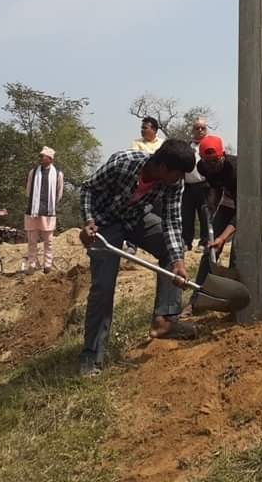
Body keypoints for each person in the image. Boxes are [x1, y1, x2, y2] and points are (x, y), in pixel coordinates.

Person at [79, 139, 197, 377]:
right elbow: (88, 188)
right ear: (163, 167)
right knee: (103, 286)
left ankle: (165, 320)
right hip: (105, 223)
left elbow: (173, 221)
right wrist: (89, 222)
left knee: (171, 250)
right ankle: (92, 355)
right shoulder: (124, 164)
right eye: (178, 173)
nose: (180, 179)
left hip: (135, 218)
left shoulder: (174, 183)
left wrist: (178, 262)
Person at [188, 134, 238, 312]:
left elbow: (242, 211)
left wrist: (224, 237)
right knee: (210, 249)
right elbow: (215, 187)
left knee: (238, 251)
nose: (211, 166)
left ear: (223, 155)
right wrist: (211, 206)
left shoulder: (235, 169)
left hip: (249, 207)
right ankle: (197, 299)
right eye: (207, 162)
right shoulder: (203, 167)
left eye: (215, 161)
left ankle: (235, 298)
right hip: (227, 202)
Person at [24, 146, 64, 273]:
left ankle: (47, 265)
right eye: (40, 156)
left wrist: (50, 204)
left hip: (48, 212)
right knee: (32, 241)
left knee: (49, 241)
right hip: (33, 211)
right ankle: (32, 264)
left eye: (42, 156)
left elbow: (59, 193)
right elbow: (28, 191)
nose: (40, 158)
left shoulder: (58, 174)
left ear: (50, 159)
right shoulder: (33, 172)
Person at [182, 117, 211, 252]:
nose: (200, 130)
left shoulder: (210, 146)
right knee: (187, 215)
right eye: (197, 128)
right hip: (188, 186)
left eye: (202, 128)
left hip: (205, 186)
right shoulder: (187, 146)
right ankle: (186, 242)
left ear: (206, 130)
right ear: (192, 130)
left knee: (205, 215)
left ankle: (204, 242)